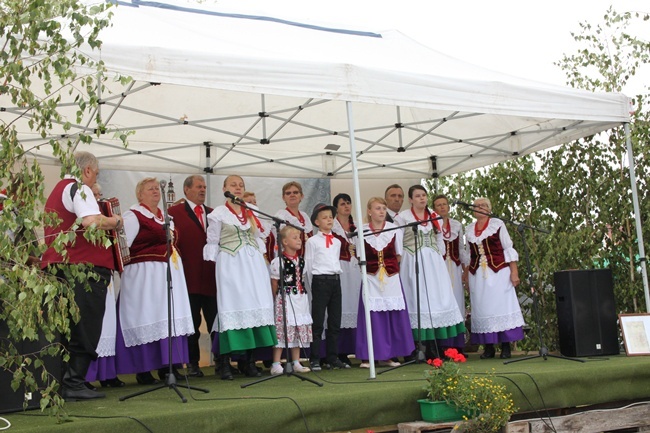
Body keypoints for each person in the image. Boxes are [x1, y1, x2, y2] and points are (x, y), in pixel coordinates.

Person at [41, 151, 122, 401]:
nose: (95, 177)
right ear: (87, 171)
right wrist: (115, 220)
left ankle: (64, 380)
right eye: (96, 173)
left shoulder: (58, 190)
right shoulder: (80, 188)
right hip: (82, 269)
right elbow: (90, 221)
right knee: (85, 324)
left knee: (66, 326)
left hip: (59, 266)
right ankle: (74, 382)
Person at [115, 177, 194, 384]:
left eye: (157, 189)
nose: (156, 192)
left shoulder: (165, 217)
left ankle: (169, 366)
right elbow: (123, 248)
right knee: (148, 316)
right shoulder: (133, 216)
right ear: (139, 194)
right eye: (150, 189)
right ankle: (144, 369)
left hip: (168, 274)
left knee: (168, 317)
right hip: (145, 276)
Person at [204, 175, 277, 377]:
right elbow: (213, 242)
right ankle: (224, 363)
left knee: (254, 305)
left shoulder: (250, 212)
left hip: (253, 265)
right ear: (224, 188)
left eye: (241, 185)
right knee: (232, 307)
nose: (237, 188)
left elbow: (258, 238)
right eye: (233, 185)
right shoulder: (218, 214)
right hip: (231, 262)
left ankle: (249, 361)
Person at [398, 185, 466, 359]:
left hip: (434, 262)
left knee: (436, 300)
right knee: (416, 300)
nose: (422, 198)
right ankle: (415, 348)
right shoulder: (403, 217)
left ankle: (435, 347)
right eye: (418, 196)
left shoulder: (434, 216)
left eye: (424, 195)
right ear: (411, 199)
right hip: (413, 261)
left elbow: (439, 239)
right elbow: (397, 241)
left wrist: (439, 258)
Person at [354, 197, 414, 367]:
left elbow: (398, 254)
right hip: (371, 277)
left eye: (383, 208)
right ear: (369, 211)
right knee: (371, 316)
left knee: (390, 314)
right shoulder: (362, 230)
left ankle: (389, 355)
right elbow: (360, 256)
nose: (381, 211)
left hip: (390, 277)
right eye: (378, 208)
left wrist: (389, 270)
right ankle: (368, 355)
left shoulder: (394, 229)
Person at [168, 175, 217, 378]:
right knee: (192, 325)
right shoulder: (174, 213)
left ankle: (223, 362)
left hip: (212, 279)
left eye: (204, 187)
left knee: (217, 322)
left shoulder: (214, 214)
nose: (203, 190)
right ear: (186, 190)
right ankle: (193, 364)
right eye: (198, 187)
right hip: (188, 278)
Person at [465, 197, 525, 359]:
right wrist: (466, 277)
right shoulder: (469, 229)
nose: (480, 208)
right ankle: (489, 347)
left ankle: (505, 347)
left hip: (499, 272)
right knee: (483, 308)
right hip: (477, 275)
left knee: (501, 307)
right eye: (477, 206)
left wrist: (514, 272)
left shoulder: (497, 224)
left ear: (489, 209)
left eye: (484, 205)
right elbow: (469, 255)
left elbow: (508, 247)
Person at [85, 183, 124, 389]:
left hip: (105, 272)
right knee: (92, 326)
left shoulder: (104, 216)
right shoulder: (85, 217)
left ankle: (107, 373)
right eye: (94, 195)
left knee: (108, 324)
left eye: (100, 194)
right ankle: (87, 375)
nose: (98, 198)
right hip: (89, 273)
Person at [304, 203, 349, 371]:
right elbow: (308, 264)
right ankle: (315, 358)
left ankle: (332, 357)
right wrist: (311, 286)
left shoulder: (337, 241)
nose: (329, 220)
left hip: (335, 280)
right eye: (324, 217)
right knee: (317, 321)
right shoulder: (312, 241)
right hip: (320, 281)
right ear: (317, 222)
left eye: (331, 217)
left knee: (334, 321)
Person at [269, 226, 312, 375]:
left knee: (298, 327)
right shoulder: (278, 261)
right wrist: (274, 299)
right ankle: (275, 363)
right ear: (285, 242)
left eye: (299, 237)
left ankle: (296, 361)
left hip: (300, 298)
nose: (299, 240)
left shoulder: (301, 261)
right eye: (295, 238)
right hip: (285, 299)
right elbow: (274, 282)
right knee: (282, 328)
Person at [331, 193, 361, 365]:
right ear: (336, 207)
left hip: (355, 268)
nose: (346, 206)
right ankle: (340, 351)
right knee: (341, 307)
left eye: (348, 203)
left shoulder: (355, 226)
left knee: (354, 304)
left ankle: (355, 348)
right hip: (340, 267)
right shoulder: (332, 226)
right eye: (343, 204)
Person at [432, 194, 469, 319]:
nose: (442, 207)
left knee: (456, 295)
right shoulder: (432, 225)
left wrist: (465, 271)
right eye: (439, 205)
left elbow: (460, 249)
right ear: (434, 209)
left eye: (444, 204)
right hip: (438, 267)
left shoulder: (456, 225)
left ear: (448, 207)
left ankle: (458, 329)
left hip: (455, 266)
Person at [274, 181, 313, 257]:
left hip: (307, 259)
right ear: (283, 198)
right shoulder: (281, 216)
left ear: (301, 196)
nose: (292, 195)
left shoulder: (305, 216)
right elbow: (278, 242)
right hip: (289, 260)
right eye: (288, 193)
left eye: (295, 192)